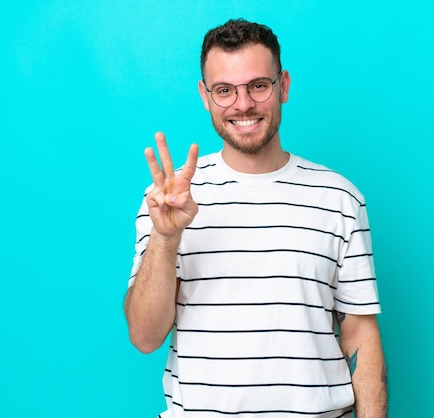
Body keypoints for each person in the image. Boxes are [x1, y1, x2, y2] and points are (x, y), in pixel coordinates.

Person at [124, 18, 387, 418]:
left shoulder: (340, 198)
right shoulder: (168, 199)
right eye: (225, 90)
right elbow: (145, 337)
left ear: (283, 86)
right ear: (205, 95)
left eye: (258, 86)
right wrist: (165, 239)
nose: (242, 104)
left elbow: (360, 336)